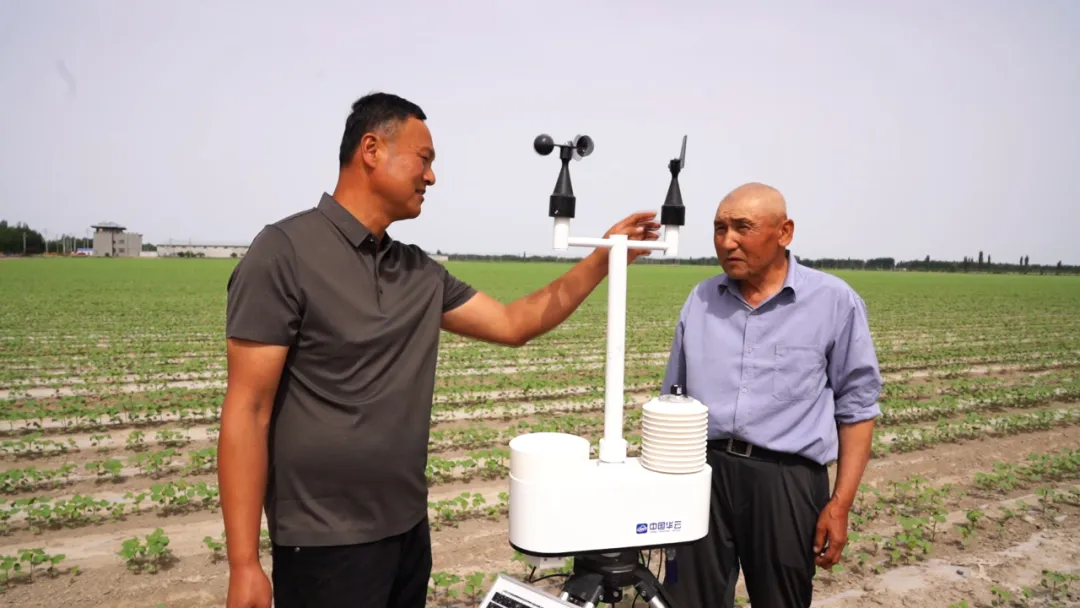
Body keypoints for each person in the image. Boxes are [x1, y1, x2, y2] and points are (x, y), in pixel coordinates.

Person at [216, 91, 662, 608]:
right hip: (324, 543)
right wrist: (244, 563)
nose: (431, 177)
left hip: (408, 532)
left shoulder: (416, 270)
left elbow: (513, 323)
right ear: (371, 150)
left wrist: (603, 258)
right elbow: (247, 410)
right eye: (423, 159)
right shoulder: (285, 252)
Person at [659, 182, 882, 608]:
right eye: (720, 228)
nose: (728, 241)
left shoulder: (833, 301)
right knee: (687, 600)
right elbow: (673, 399)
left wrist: (840, 504)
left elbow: (857, 409)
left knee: (781, 600)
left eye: (743, 227)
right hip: (703, 473)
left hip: (786, 480)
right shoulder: (701, 299)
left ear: (784, 232)